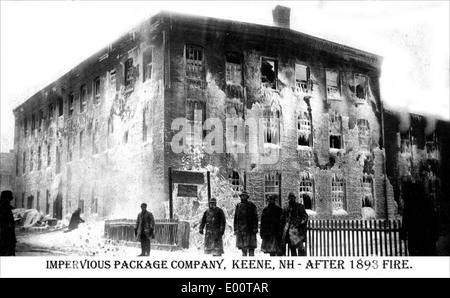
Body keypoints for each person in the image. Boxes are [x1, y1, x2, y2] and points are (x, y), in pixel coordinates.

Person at [401, 178, 439, 256]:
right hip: (421, 236)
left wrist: (404, 233)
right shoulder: (426, 202)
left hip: (420, 236)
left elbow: (406, 220)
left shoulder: (410, 204)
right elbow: (435, 219)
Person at [281, 192, 308, 256]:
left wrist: (300, 223)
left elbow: (305, 217)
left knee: (300, 248)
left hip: (297, 232)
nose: (291, 199)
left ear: (295, 198)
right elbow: (282, 218)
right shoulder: (286, 207)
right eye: (290, 198)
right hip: (289, 232)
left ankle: (302, 261)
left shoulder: (300, 206)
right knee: (292, 248)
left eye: (292, 198)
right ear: (288, 198)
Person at [233, 190, 258, 256]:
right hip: (241, 230)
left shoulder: (251, 205)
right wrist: (235, 228)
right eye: (242, 196)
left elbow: (255, 217)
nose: (243, 197)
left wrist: (255, 227)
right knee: (243, 247)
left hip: (250, 230)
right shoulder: (238, 206)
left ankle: (251, 260)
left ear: (247, 197)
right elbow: (236, 218)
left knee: (251, 247)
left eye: (245, 196)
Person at [0, 190, 16, 256]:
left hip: (7, 236)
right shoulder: (3, 208)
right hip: (4, 237)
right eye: (9, 199)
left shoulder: (7, 207)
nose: (9, 201)